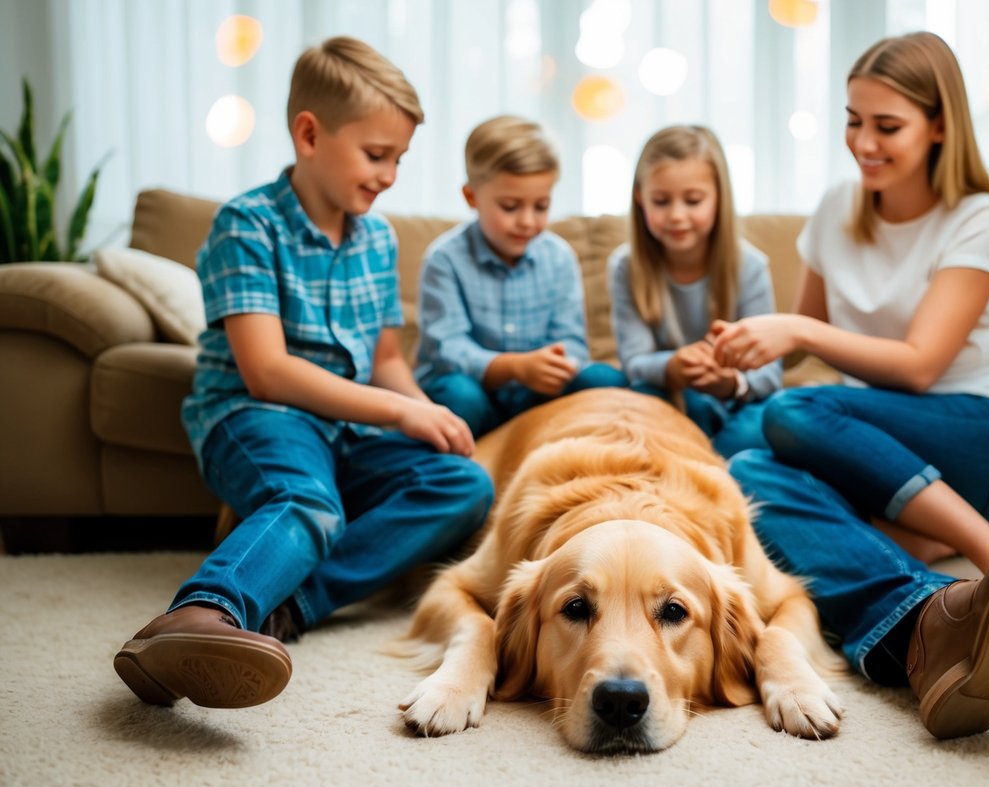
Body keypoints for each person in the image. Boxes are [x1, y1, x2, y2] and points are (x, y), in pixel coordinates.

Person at [712, 31, 989, 739]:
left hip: (984, 432)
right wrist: (740, 368)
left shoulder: (979, 215)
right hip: (879, 442)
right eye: (852, 121)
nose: (863, 142)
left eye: (885, 126)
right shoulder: (838, 208)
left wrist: (794, 338)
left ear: (939, 127)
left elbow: (921, 363)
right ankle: (926, 627)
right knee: (742, 461)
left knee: (793, 414)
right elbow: (804, 348)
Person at [113, 36, 494, 711]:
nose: (389, 176)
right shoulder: (247, 224)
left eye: (399, 159)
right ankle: (205, 610)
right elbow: (266, 372)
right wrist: (398, 410)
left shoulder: (376, 238)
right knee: (309, 501)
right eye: (376, 155)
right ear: (309, 134)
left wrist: (424, 410)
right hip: (258, 417)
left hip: (346, 427)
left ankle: (287, 604)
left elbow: (385, 362)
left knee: (462, 483)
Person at [414, 115, 627, 437]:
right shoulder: (444, 260)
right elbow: (448, 349)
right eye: (511, 206)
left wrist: (555, 363)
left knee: (604, 380)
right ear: (471, 197)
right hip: (473, 390)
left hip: (534, 395)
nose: (527, 221)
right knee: (457, 394)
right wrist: (514, 367)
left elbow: (572, 341)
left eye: (540, 206)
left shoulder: (558, 257)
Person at [608, 125, 781, 458]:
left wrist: (729, 381)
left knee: (766, 425)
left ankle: (701, 454)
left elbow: (768, 374)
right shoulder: (626, 266)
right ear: (640, 198)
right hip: (669, 396)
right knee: (626, 390)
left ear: (719, 197)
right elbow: (634, 361)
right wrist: (673, 366)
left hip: (736, 403)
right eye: (661, 201)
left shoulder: (749, 266)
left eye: (693, 200)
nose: (676, 215)